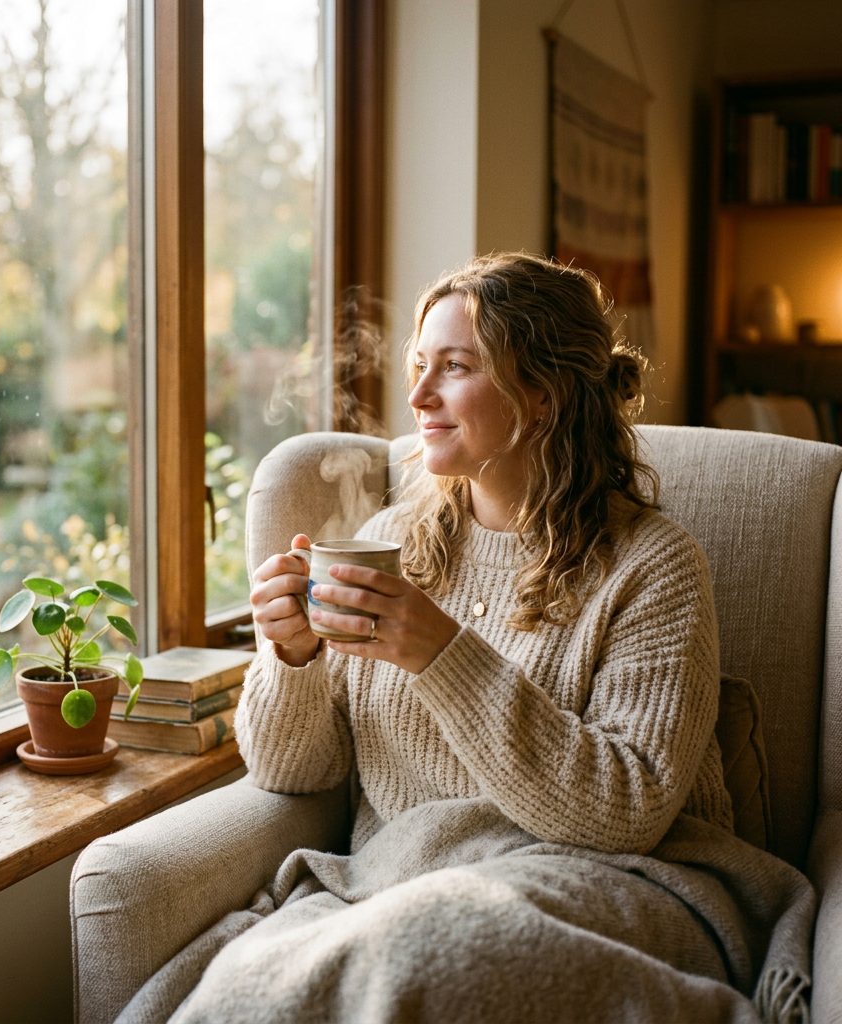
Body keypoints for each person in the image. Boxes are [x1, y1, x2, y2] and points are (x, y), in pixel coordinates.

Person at [119, 253, 813, 1024]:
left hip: (611, 882)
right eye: (419, 365)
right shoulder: (393, 543)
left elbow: (629, 812)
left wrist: (440, 653)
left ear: (541, 395)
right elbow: (291, 772)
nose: (417, 397)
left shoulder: (654, 565)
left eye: (454, 368)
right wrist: (291, 656)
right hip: (400, 881)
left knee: (428, 947)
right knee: (246, 983)